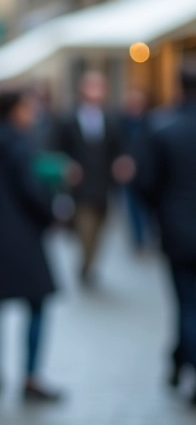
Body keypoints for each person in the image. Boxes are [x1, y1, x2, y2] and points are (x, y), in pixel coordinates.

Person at [0, 89, 62, 402]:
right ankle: (30, 376)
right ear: (15, 110)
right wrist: (52, 216)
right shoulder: (20, 144)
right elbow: (31, 191)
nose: (31, 112)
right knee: (37, 304)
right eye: (27, 107)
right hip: (22, 236)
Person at [132, 63, 196, 400]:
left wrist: (162, 210)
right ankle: (180, 362)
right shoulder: (162, 126)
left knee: (186, 303)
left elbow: (144, 182)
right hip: (177, 225)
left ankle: (182, 363)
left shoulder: (163, 127)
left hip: (178, 229)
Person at [53, 70, 133, 287]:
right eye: (92, 86)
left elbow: (120, 148)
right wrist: (65, 165)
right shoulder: (68, 119)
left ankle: (88, 265)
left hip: (105, 185)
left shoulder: (111, 118)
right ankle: (86, 269)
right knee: (85, 229)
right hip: (79, 187)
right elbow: (55, 148)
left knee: (101, 229)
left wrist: (122, 162)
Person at [120, 87, 152, 251]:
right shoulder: (121, 121)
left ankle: (148, 236)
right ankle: (139, 239)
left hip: (146, 171)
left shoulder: (150, 121)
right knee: (133, 207)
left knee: (147, 207)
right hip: (128, 172)